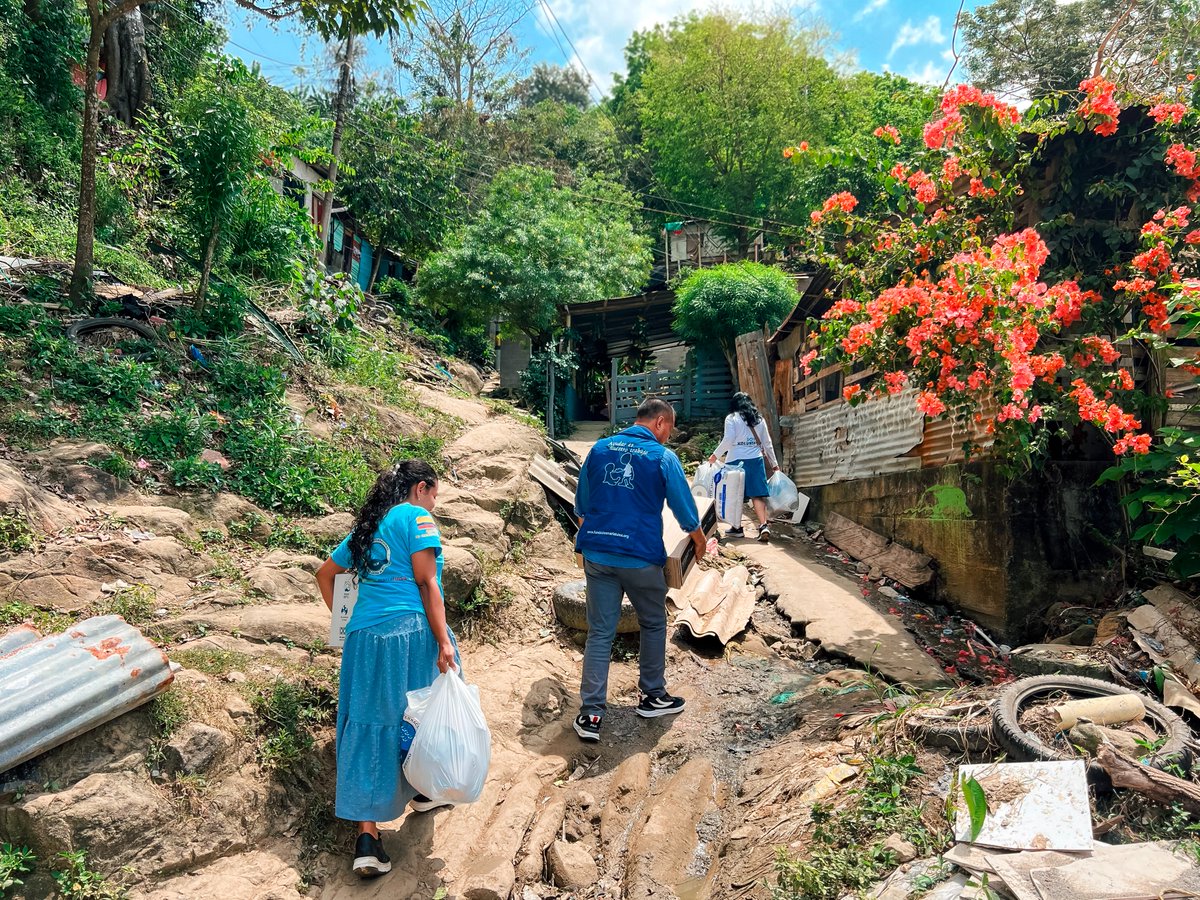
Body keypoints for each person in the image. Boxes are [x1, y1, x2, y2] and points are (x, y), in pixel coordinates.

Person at [315, 459, 460, 879]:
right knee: (422, 713)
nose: (434, 504)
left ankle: (368, 838)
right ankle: (424, 787)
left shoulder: (368, 527)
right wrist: (445, 642)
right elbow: (427, 582)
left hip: (364, 638)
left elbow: (326, 575)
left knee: (367, 722)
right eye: (435, 495)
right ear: (420, 489)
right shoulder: (416, 516)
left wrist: (353, 624)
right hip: (409, 632)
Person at [573, 397, 707, 743]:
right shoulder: (663, 457)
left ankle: (590, 714)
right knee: (652, 621)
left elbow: (582, 507)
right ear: (660, 422)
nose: (668, 436)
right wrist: (700, 540)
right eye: (669, 429)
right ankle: (652, 696)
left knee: (600, 632)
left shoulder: (599, 449)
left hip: (598, 554)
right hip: (640, 557)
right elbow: (685, 509)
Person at [709, 391, 780, 542]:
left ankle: (736, 527)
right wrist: (774, 465)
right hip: (755, 459)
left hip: (735, 460)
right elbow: (767, 443)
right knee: (757, 494)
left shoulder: (731, 418)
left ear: (734, 404)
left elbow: (728, 439)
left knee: (735, 495)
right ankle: (763, 526)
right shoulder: (759, 419)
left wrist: (715, 455)